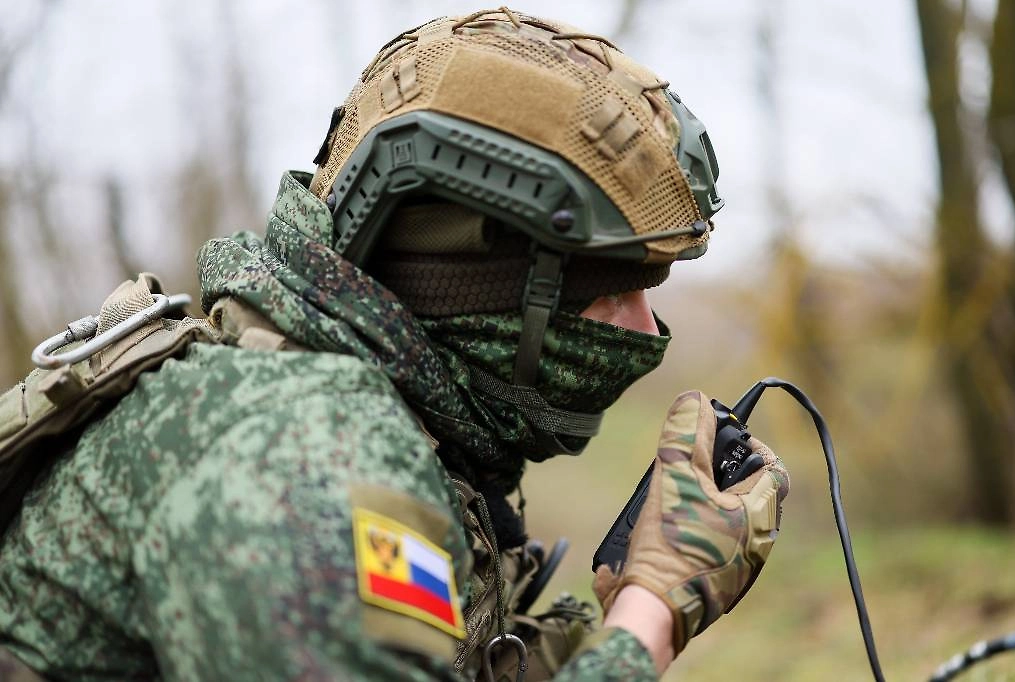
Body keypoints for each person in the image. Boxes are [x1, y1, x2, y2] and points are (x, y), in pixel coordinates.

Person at [0, 8, 788, 681]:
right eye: (615, 292)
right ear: (477, 286)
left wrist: (577, 638)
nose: (646, 330)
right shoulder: (299, 455)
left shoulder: (370, 411)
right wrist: (651, 613)